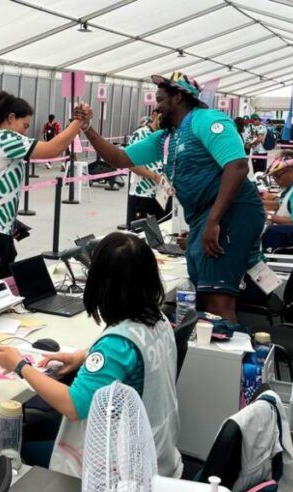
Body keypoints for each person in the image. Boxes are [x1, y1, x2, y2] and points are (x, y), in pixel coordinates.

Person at [0, 233, 181, 479]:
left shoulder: (115, 345)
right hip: (159, 452)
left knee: (16, 448)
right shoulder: (158, 318)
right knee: (41, 427)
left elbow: (73, 406)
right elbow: (136, 359)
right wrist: (84, 356)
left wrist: (20, 366)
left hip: (123, 470)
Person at [78, 72, 265, 322]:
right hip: (206, 216)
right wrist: (87, 128)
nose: (157, 107)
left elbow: (238, 166)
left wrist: (212, 222)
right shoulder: (167, 138)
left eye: (161, 100)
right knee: (204, 292)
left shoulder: (206, 120)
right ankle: (209, 350)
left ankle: (228, 354)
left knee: (218, 301)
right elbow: (120, 158)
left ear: (178, 98)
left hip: (231, 213)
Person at [0, 91, 84, 280]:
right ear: (11, 118)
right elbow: (52, 149)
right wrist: (79, 121)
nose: (25, 132)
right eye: (24, 125)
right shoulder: (5, 139)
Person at [127, 112, 169, 221]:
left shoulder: (169, 135)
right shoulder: (140, 134)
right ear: (154, 116)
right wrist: (155, 177)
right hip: (143, 194)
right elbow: (131, 163)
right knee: (140, 233)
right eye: (161, 118)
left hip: (164, 195)